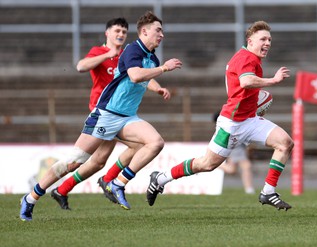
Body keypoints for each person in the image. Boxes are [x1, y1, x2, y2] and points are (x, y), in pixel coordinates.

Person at [19, 11, 183, 221]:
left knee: (155, 142)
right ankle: (31, 198)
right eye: (158, 30)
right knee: (74, 162)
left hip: (127, 117)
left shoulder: (152, 58)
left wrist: (158, 85)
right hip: (106, 114)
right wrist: (164, 68)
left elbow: (144, 77)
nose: (162, 34)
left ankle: (117, 183)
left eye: (162, 30)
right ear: (144, 31)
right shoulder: (134, 49)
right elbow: (134, 75)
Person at [146, 20, 294, 211]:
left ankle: (268, 191)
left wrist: (259, 100)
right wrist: (273, 80)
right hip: (231, 124)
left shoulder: (251, 58)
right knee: (206, 164)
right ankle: (161, 178)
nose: (267, 43)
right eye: (262, 39)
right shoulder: (246, 58)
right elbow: (245, 81)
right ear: (250, 41)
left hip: (249, 119)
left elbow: (244, 87)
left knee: (285, 142)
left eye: (269, 40)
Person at [49, 17, 137, 210]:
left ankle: (62, 190)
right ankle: (107, 180)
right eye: (117, 31)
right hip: (102, 112)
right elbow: (81, 66)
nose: (121, 34)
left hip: (118, 112)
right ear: (107, 33)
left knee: (98, 161)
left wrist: (158, 88)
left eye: (124, 32)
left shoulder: (126, 55)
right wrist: (107, 55)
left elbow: (136, 75)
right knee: (139, 145)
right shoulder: (99, 52)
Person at [212, 111, 255, 194]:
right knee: (246, 166)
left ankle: (215, 164)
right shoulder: (225, 125)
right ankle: (249, 189)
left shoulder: (224, 124)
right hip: (235, 146)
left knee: (232, 170)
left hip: (236, 145)